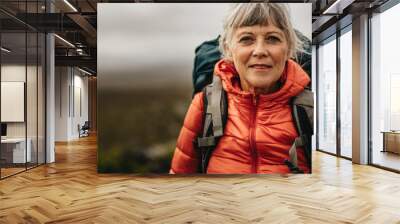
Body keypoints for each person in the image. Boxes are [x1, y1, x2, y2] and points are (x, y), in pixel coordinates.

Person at [170, 3, 311, 174]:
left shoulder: (310, 109)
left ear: (288, 47)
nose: (260, 51)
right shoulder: (205, 104)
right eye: (246, 39)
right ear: (229, 49)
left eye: (272, 38)